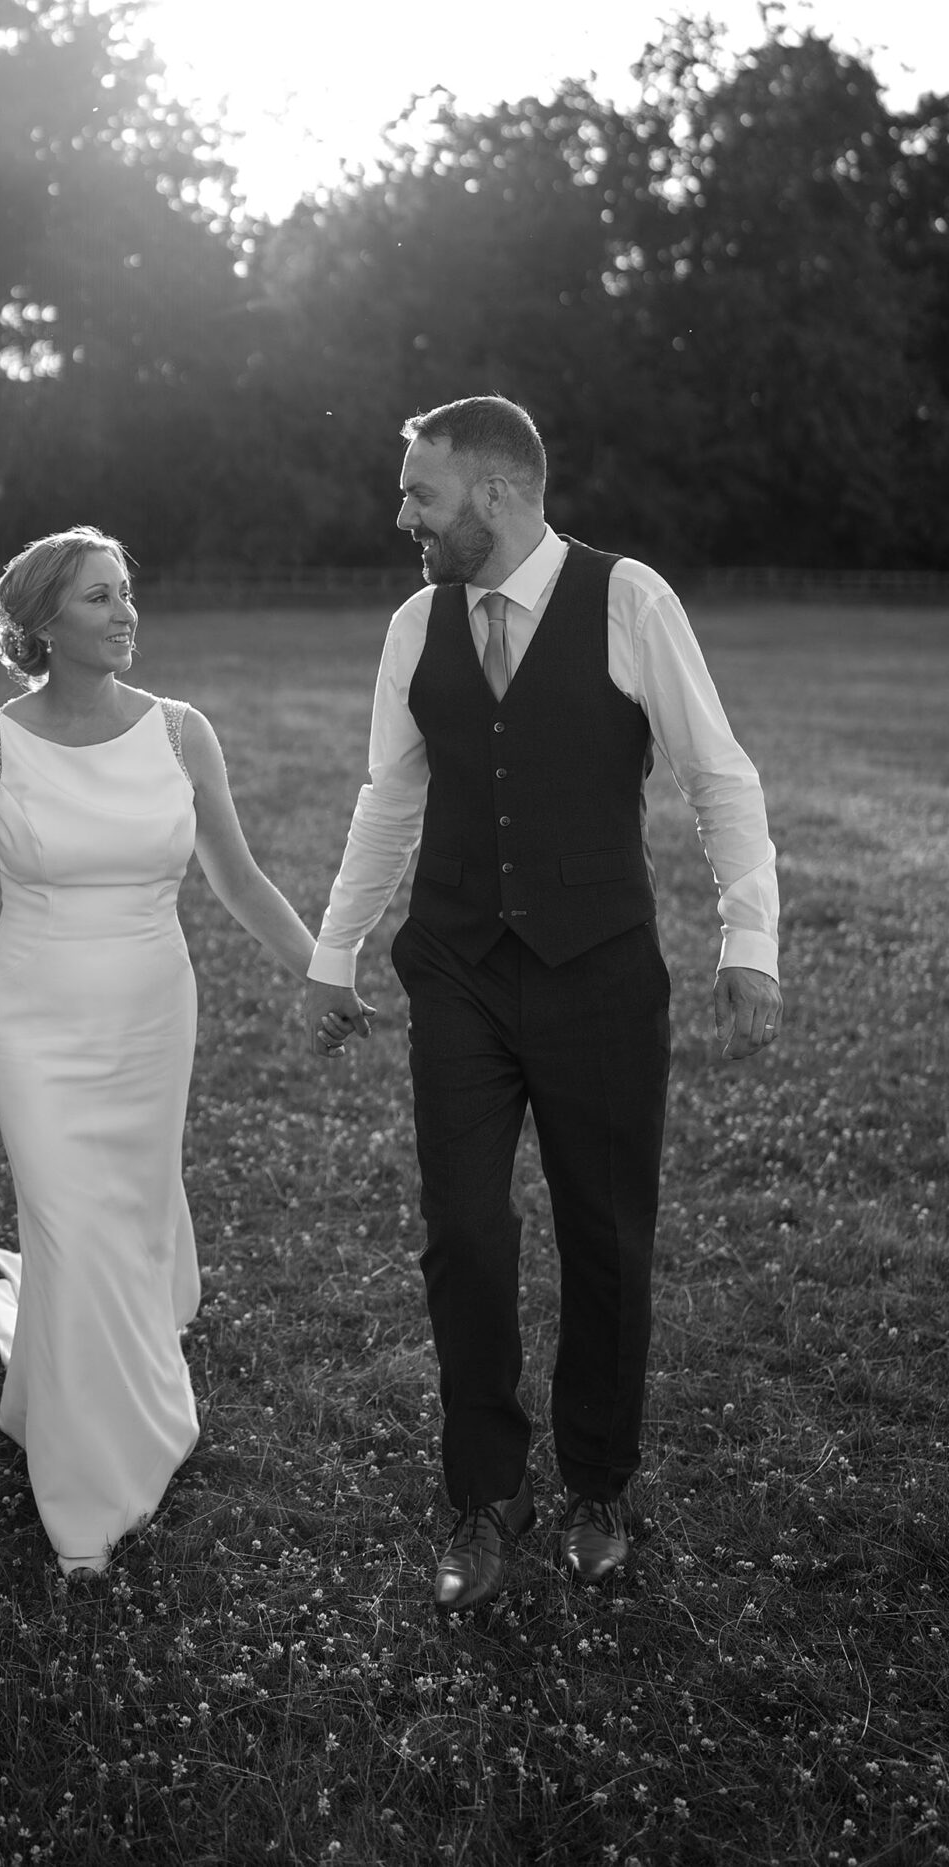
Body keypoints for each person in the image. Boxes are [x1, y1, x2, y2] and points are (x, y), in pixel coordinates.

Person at [304, 397, 781, 1614]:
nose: (402, 517)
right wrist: (332, 951)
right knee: (462, 1231)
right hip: (457, 970)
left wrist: (749, 940)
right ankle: (482, 1495)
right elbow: (387, 796)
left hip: (598, 973)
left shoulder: (630, 601)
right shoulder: (414, 624)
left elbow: (715, 774)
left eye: (420, 493)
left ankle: (597, 1484)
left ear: (495, 493)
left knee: (604, 1236)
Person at [0, 525, 318, 1578]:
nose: (124, 613)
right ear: (41, 623)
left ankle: (75, 1399)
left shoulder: (180, 733)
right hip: (30, 1023)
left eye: (125, 592)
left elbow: (239, 876)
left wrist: (322, 970)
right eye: (97, 598)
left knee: (126, 1217)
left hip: (151, 1019)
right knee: (69, 1229)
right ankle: (87, 1488)